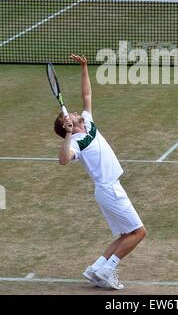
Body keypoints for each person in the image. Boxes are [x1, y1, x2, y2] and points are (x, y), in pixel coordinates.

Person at [54, 54, 146, 290]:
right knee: (138, 232)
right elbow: (64, 160)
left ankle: (96, 268)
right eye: (70, 116)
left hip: (110, 188)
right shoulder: (75, 142)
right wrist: (67, 134)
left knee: (126, 233)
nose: (75, 112)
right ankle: (108, 269)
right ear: (69, 125)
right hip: (108, 189)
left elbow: (87, 95)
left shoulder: (88, 121)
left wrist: (84, 68)